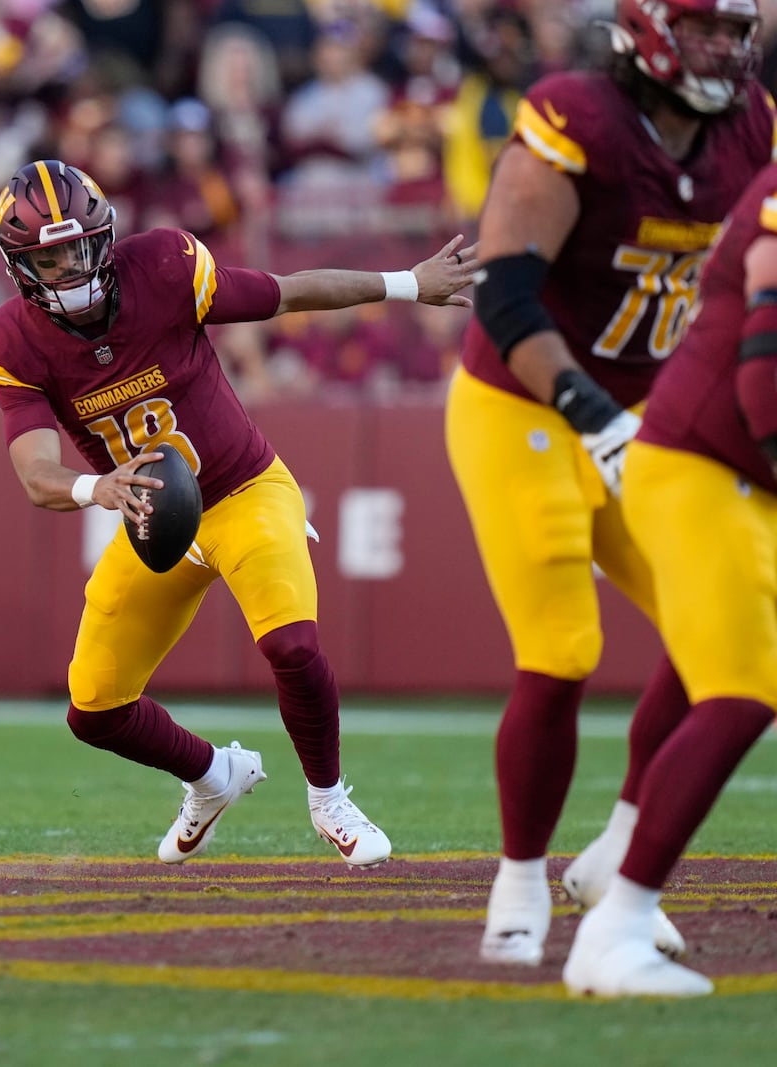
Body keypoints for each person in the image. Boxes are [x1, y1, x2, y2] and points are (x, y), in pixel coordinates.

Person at [0, 159, 476, 866]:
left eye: (79, 247)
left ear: (105, 238)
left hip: (244, 490)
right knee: (93, 710)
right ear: (19, 265)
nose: (69, 267)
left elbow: (288, 292)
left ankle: (330, 798)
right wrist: (101, 489)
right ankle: (212, 776)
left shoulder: (165, 266)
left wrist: (407, 284)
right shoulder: (8, 340)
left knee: (293, 645)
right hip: (154, 522)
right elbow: (35, 473)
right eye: (48, 257)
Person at [446, 0, 773, 965]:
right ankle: (517, 885)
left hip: (655, 415)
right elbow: (503, 290)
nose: (723, 49)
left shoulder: (753, 126)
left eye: (733, 29)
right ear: (646, 29)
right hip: (528, 405)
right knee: (563, 647)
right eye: (703, 27)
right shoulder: (575, 118)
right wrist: (593, 413)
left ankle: (621, 849)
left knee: (717, 627)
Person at [561, 161, 777, 998]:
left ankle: (619, 848)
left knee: (704, 665)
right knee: (744, 684)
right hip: (707, 458)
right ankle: (613, 934)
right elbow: (764, 382)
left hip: (740, 468)